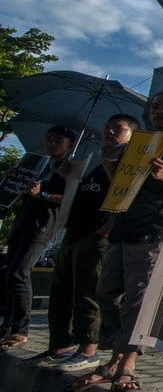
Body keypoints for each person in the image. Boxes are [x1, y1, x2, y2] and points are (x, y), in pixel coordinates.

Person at [75, 93, 163, 391]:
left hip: (154, 230)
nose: (160, 111)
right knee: (105, 293)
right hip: (122, 229)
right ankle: (117, 354)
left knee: (137, 300)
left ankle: (127, 362)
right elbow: (122, 183)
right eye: (155, 106)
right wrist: (107, 161)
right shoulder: (138, 145)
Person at [23, 115, 139, 372]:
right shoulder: (95, 162)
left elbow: (124, 195)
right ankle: (60, 344)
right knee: (62, 291)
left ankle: (88, 349)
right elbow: (79, 195)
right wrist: (68, 176)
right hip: (74, 232)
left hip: (96, 235)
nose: (109, 131)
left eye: (118, 129)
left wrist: (107, 228)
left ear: (131, 136)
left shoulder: (130, 162)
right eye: (108, 126)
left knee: (88, 292)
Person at [0, 125, 75, 351]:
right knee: (10, 273)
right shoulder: (39, 165)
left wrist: (42, 194)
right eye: (50, 139)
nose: (52, 144)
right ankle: (7, 326)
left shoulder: (69, 169)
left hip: (42, 227)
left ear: (69, 144)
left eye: (58, 140)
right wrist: (14, 178)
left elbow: (69, 198)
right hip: (22, 223)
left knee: (20, 273)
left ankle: (21, 330)